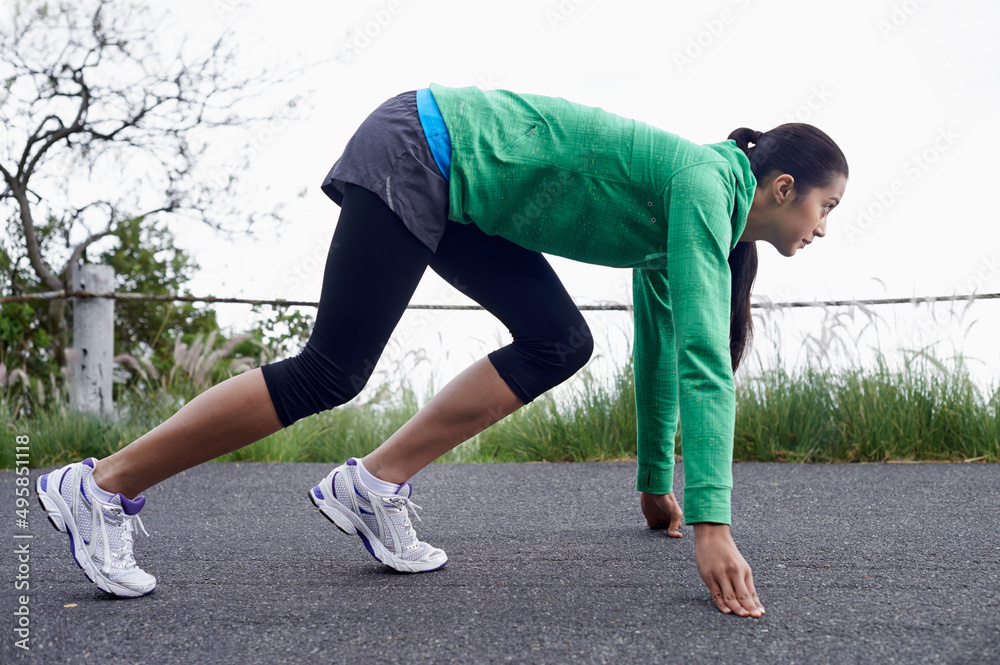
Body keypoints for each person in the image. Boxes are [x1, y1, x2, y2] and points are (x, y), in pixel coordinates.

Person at [36, 83, 848, 617]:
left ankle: (370, 483)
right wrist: (713, 522)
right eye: (825, 207)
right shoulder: (705, 187)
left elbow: (670, 347)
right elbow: (709, 363)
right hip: (422, 148)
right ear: (783, 188)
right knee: (332, 368)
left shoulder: (698, 210)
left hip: (464, 194)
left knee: (560, 340)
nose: (821, 227)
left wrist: (654, 488)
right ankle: (98, 486)